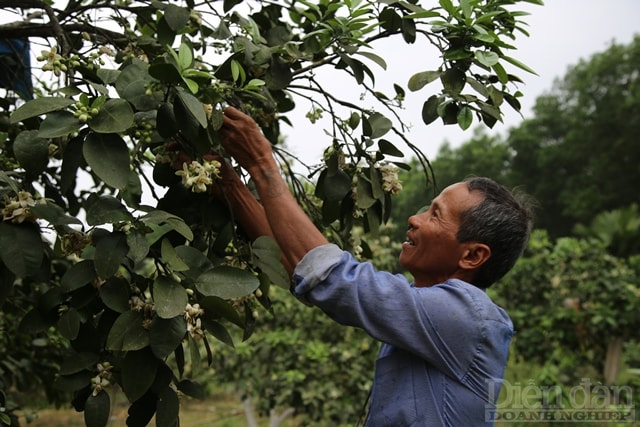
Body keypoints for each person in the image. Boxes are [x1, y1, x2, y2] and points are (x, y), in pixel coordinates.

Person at [210, 106, 534, 426]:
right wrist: (228, 183)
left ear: (472, 256)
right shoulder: (426, 312)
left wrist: (263, 164)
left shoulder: (467, 317)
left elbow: (331, 277)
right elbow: (299, 263)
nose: (414, 219)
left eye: (435, 215)